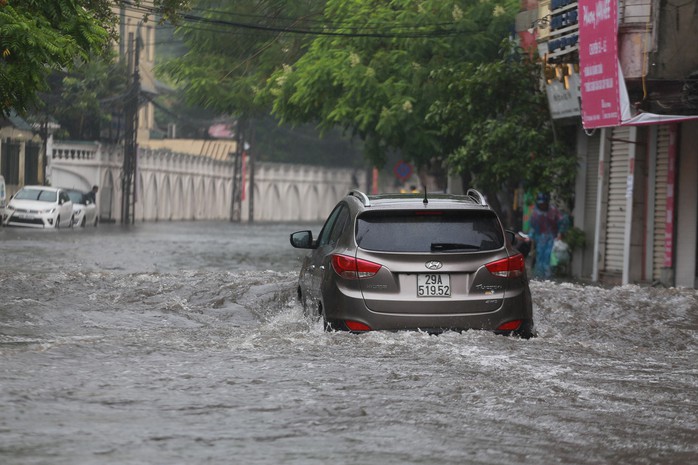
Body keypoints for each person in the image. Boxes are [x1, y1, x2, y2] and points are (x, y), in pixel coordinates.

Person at [527, 193, 563, 279]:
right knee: (540, 258)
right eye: (540, 204)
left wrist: (560, 233)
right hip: (540, 240)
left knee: (549, 258)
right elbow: (533, 226)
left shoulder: (553, 211)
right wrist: (530, 236)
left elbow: (562, 222)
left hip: (552, 239)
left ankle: (549, 277)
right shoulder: (535, 213)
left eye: (543, 203)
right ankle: (540, 277)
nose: (542, 205)